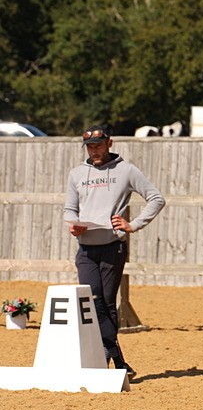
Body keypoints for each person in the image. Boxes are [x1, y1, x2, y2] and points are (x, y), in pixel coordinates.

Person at [63, 125, 166, 377]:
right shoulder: (76, 174)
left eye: (98, 145)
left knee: (106, 303)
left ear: (110, 143)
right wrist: (72, 224)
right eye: (90, 146)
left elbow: (156, 198)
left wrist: (133, 225)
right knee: (93, 302)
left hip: (113, 248)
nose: (94, 150)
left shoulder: (127, 170)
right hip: (85, 250)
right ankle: (118, 363)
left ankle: (111, 361)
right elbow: (69, 209)